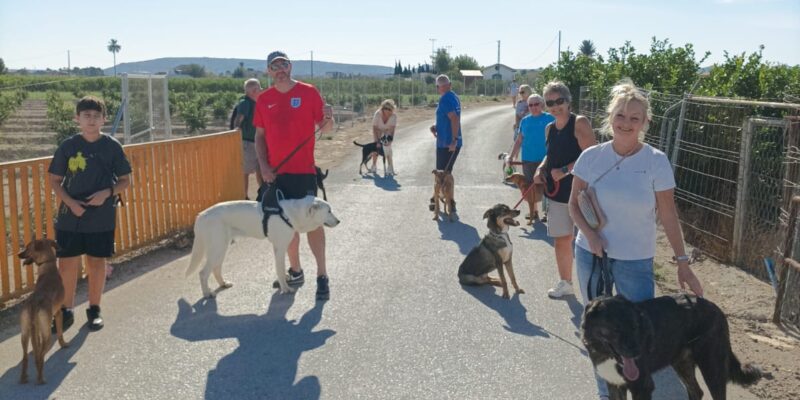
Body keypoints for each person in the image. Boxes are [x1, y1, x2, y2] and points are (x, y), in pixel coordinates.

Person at [569, 79, 704, 400]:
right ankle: (607, 394)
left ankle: (638, 391)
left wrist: (682, 263)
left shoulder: (656, 161)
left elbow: (668, 215)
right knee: (600, 335)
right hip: (591, 255)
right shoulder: (591, 157)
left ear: (645, 122)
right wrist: (591, 236)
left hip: (636, 262)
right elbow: (573, 204)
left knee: (636, 337)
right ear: (610, 117)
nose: (626, 123)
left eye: (634, 117)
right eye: (620, 115)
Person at [253, 51, 334, 301]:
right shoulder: (264, 99)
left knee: (314, 223)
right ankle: (296, 271)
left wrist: (329, 117)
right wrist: (263, 166)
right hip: (276, 175)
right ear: (268, 71)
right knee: (285, 225)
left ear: (290, 67)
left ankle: (322, 275)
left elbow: (327, 130)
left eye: (284, 65)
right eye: (275, 66)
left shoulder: (309, 92)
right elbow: (259, 136)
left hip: (304, 171)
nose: (280, 70)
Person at [48, 96, 131, 331]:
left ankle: (94, 309)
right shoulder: (68, 146)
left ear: (104, 119)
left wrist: (107, 192)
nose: (91, 120)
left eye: (96, 116)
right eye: (86, 116)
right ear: (77, 119)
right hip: (70, 215)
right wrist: (71, 203)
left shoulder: (112, 146)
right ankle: (66, 311)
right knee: (67, 265)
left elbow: (125, 181)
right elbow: (54, 180)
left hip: (101, 216)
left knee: (96, 263)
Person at [533, 81, 596, 298]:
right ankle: (566, 282)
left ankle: (595, 287)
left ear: (568, 101)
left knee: (588, 241)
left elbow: (592, 156)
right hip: (557, 194)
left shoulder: (580, 123)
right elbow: (550, 154)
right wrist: (541, 168)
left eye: (559, 101)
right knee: (561, 239)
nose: (555, 106)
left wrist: (565, 170)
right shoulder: (549, 128)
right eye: (550, 103)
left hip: (582, 194)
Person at [509, 93, 554, 220]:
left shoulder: (550, 118)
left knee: (547, 186)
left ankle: (547, 213)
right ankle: (534, 212)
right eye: (530, 105)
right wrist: (511, 157)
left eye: (536, 104)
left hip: (545, 159)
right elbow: (519, 140)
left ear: (542, 104)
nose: (533, 107)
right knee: (530, 186)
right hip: (528, 159)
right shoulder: (525, 121)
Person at [429, 74, 462, 212]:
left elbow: (454, 119)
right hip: (449, 142)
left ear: (438, 87)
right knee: (445, 173)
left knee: (442, 174)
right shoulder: (454, 97)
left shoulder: (445, 100)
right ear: (450, 84)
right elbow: (449, 119)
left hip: (447, 144)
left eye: (438, 87)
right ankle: (437, 198)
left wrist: (453, 140)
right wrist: (437, 126)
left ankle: (448, 201)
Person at [234, 78, 263, 199]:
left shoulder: (257, 102)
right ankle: (244, 196)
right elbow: (238, 120)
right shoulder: (245, 103)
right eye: (258, 89)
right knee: (245, 171)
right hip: (247, 142)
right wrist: (236, 133)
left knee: (260, 169)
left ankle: (262, 193)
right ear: (252, 91)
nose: (260, 90)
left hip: (257, 141)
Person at [370, 99, 397, 174]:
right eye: (389, 110)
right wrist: (377, 141)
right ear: (384, 109)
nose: (390, 112)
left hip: (387, 132)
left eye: (391, 110)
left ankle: (390, 168)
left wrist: (390, 141)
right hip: (378, 130)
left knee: (388, 149)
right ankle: (374, 166)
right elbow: (374, 128)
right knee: (376, 148)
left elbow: (392, 130)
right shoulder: (377, 114)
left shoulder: (393, 116)